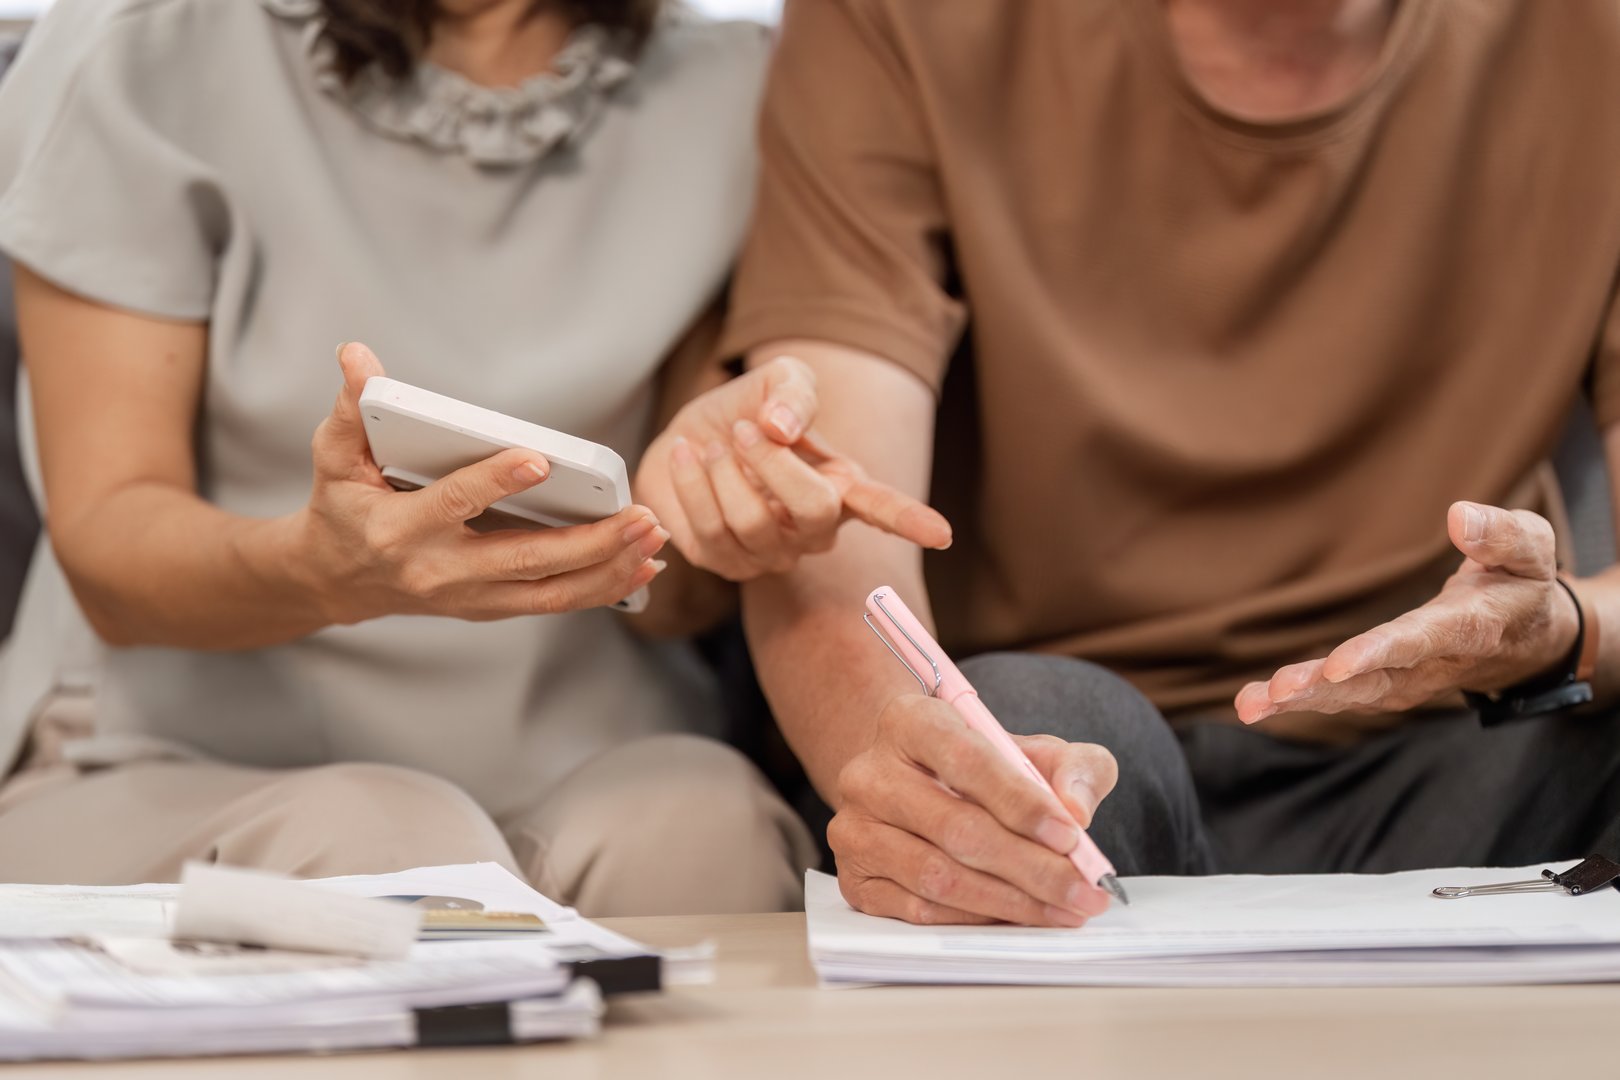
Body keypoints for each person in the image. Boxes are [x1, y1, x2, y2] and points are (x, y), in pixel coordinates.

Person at [673, 0, 1620, 926]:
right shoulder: (900, 22)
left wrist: (1561, 628)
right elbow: (838, 516)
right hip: (1071, 751)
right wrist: (912, 778)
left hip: (1467, 748)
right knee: (1015, 745)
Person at [0, 0, 944, 914]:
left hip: (588, 751)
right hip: (166, 755)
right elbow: (111, 550)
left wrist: (710, 508)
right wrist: (326, 574)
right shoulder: (150, 46)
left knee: (707, 835)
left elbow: (678, 602)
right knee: (390, 852)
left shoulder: (735, 90)